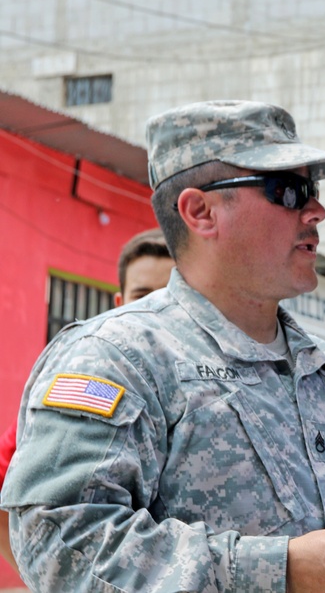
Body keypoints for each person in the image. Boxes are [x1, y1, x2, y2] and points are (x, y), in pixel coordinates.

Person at [0, 100, 325, 592]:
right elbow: (61, 547)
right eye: (288, 191)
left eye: (311, 189)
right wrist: (280, 570)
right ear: (200, 212)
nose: (316, 210)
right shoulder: (117, 357)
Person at [0, 226, 176, 572]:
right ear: (119, 302)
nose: (152, 310)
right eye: (142, 296)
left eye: (165, 297)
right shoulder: (85, 378)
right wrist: (43, 578)